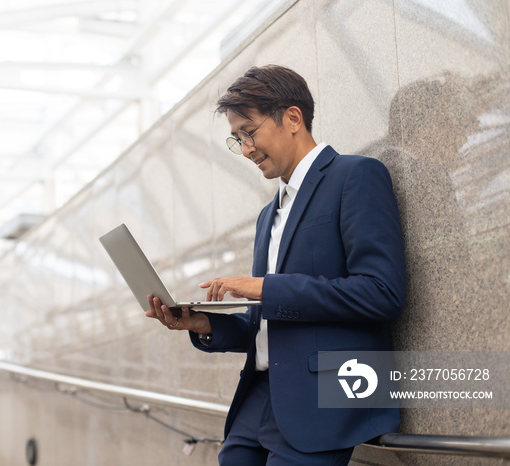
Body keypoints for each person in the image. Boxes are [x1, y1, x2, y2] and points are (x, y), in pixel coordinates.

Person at [146, 65, 406, 465]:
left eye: (248, 132)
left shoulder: (355, 176)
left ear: (293, 118)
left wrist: (265, 288)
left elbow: (382, 293)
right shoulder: (269, 214)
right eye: (236, 140)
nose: (246, 149)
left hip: (324, 398)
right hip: (259, 398)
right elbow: (265, 325)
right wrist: (202, 323)